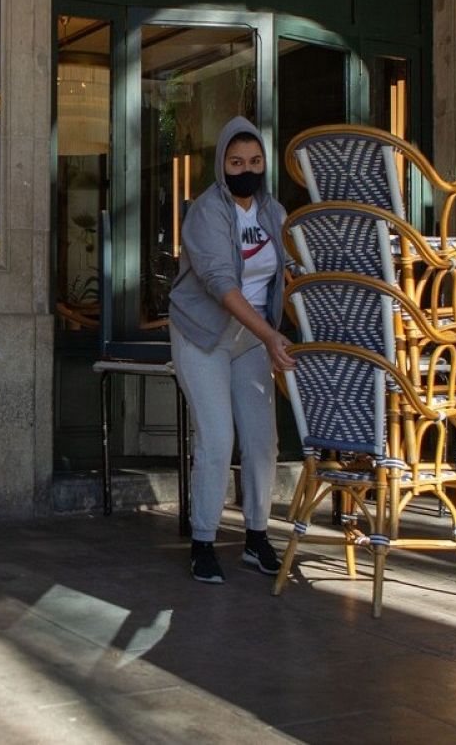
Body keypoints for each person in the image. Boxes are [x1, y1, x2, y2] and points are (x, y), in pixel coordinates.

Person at [168, 116, 297, 584]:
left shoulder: (274, 214)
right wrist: (269, 335)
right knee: (218, 439)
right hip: (202, 336)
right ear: (222, 164)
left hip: (250, 340)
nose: (247, 169)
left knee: (263, 441)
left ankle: (257, 537)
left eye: (255, 161)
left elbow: (293, 272)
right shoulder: (206, 212)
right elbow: (221, 283)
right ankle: (203, 540)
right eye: (237, 161)